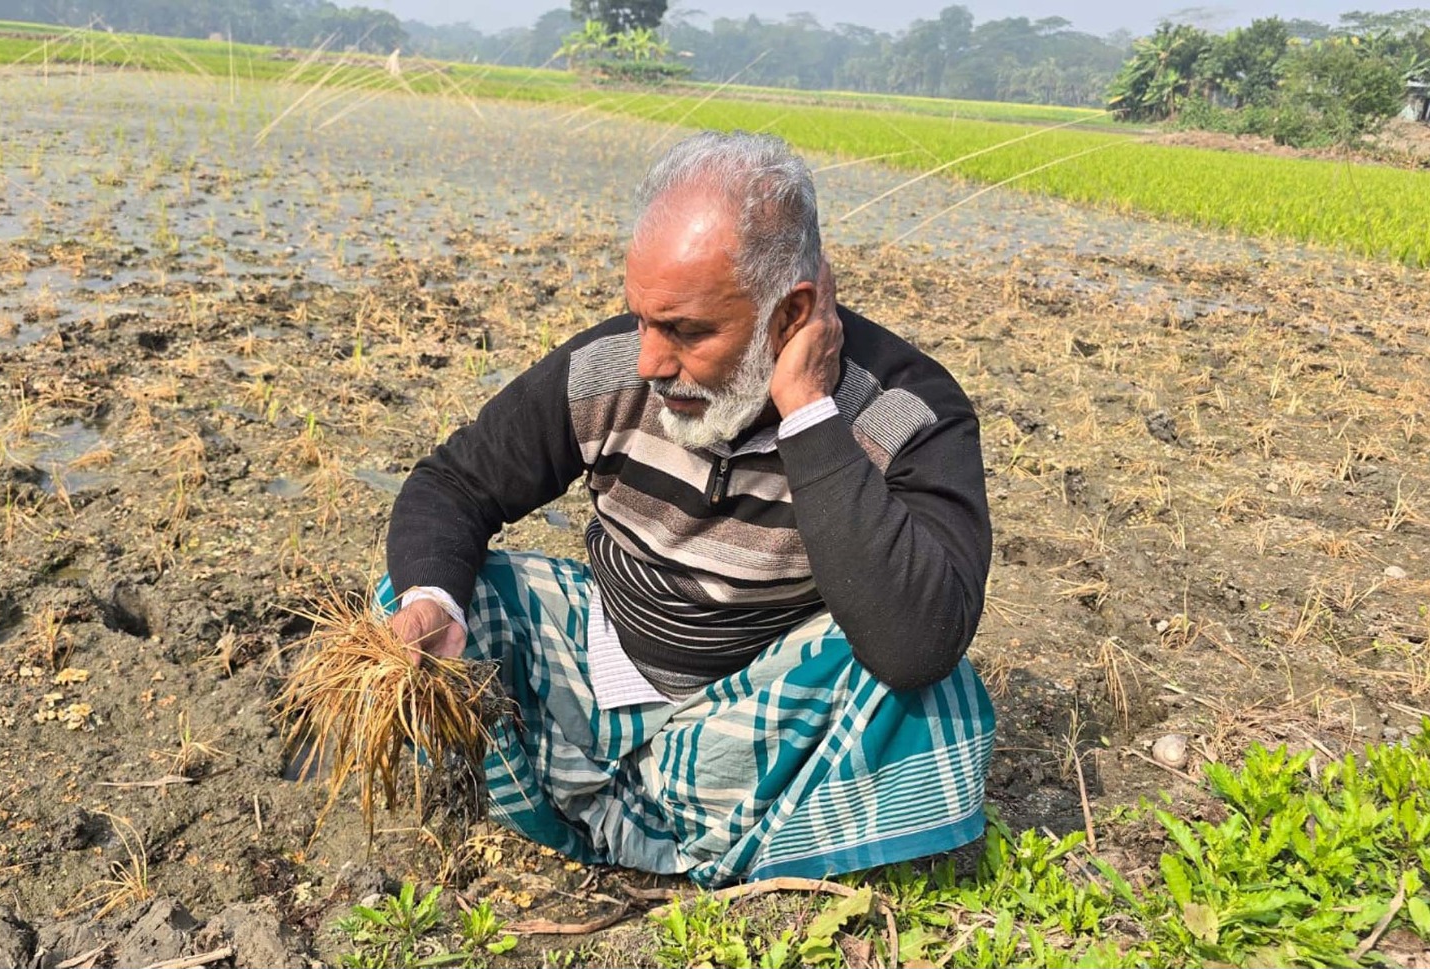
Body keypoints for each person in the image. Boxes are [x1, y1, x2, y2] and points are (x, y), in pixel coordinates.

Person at [377, 130, 994, 886]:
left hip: (756, 718)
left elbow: (915, 645)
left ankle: (639, 814)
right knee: (426, 603)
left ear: (791, 314)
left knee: (926, 686)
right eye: (641, 317)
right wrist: (433, 594)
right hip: (602, 668)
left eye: (689, 332)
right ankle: (689, 829)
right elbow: (454, 484)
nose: (650, 361)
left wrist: (805, 412)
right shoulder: (609, 370)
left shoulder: (905, 410)